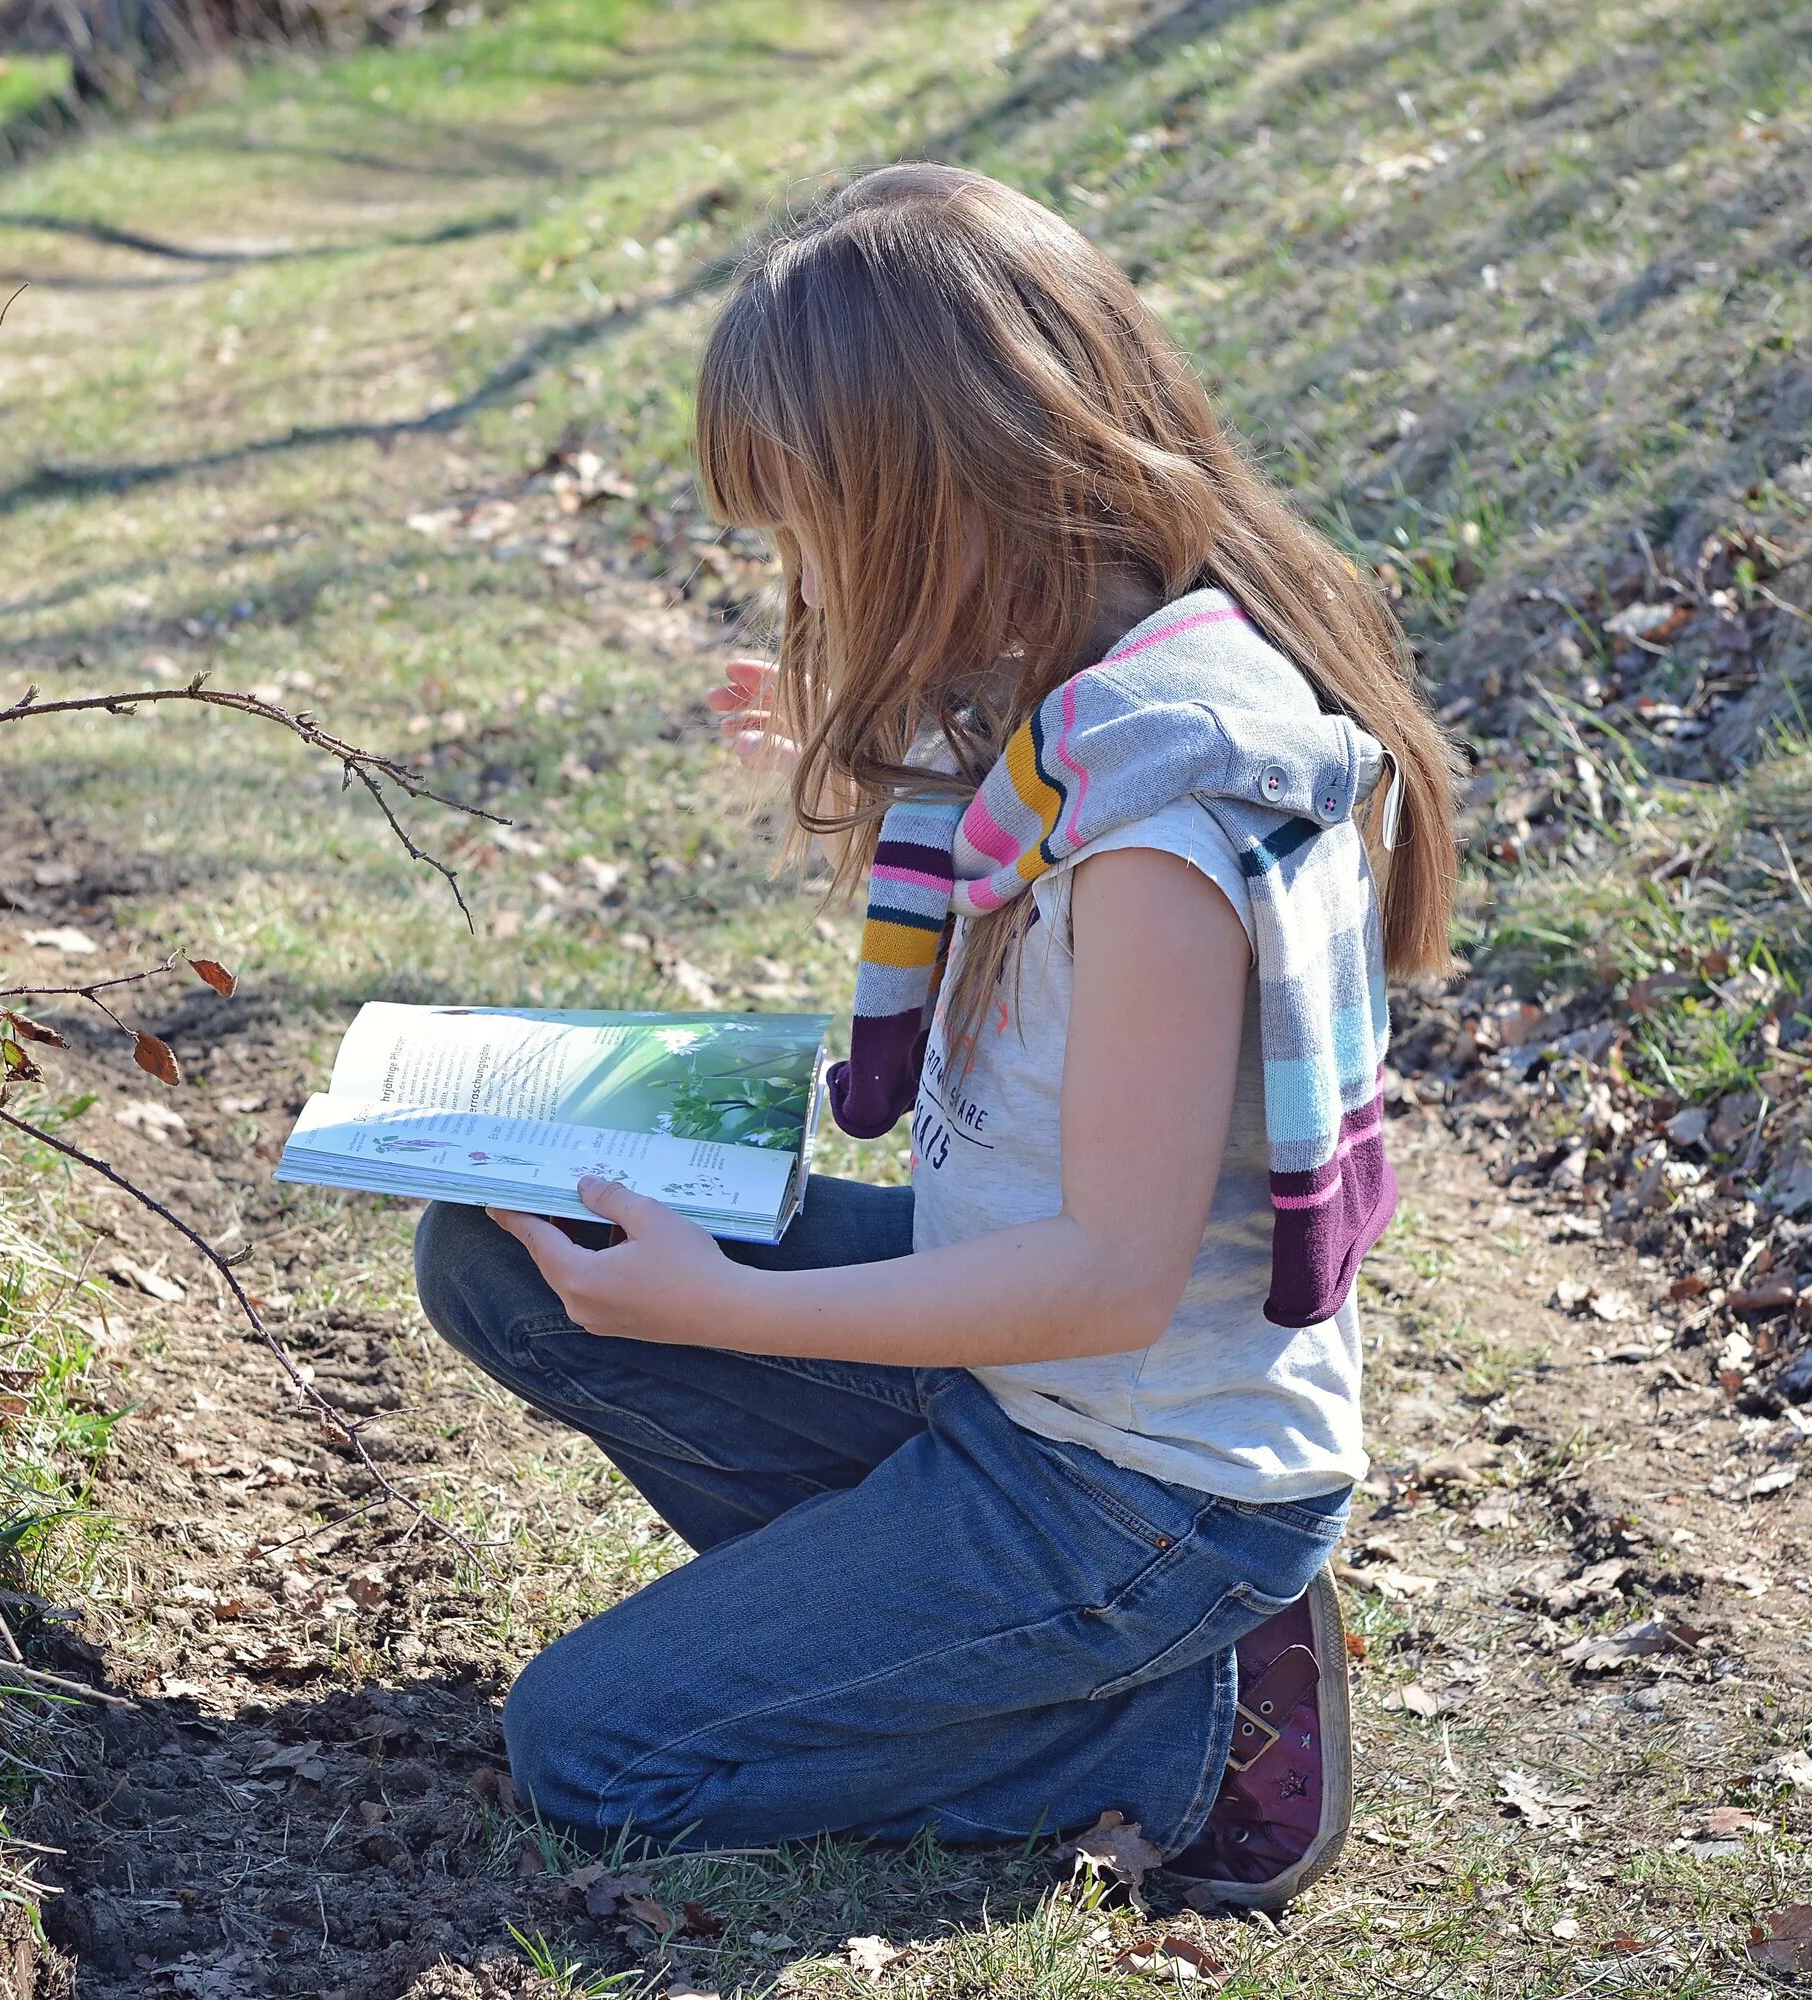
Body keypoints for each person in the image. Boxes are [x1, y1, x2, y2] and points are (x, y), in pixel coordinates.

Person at [412, 162, 1456, 1911]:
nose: (793, 572)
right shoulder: (1081, 712)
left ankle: (1168, 1729)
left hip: (1138, 1485)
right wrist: (867, 737)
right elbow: (998, 875)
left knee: (591, 1754)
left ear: (929, 499)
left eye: (802, 525)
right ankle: (932, 1633)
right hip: (1025, 1381)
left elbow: (1112, 1278)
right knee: (503, 1255)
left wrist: (732, 1311)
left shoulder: (1162, 820)